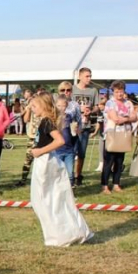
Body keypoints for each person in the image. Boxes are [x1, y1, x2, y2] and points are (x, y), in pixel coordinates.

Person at [29, 92, 93, 247]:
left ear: (43, 106)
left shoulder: (46, 122)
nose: (32, 109)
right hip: (46, 160)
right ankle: (62, 233)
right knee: (49, 199)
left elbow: (60, 140)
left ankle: (59, 235)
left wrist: (40, 151)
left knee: (46, 200)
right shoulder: (46, 121)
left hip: (45, 161)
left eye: (34, 106)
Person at [102, 81, 137, 194]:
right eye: (117, 91)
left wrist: (125, 119)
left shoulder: (128, 103)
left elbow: (134, 117)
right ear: (113, 92)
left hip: (124, 134)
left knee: (119, 161)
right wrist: (126, 117)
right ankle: (105, 185)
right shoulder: (110, 103)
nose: (119, 94)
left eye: (121, 91)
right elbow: (114, 118)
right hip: (112, 134)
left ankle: (116, 183)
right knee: (109, 161)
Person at [71, 68, 98, 186]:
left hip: (85, 126)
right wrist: (78, 109)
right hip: (72, 126)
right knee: (71, 152)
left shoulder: (93, 91)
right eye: (87, 76)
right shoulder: (71, 89)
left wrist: (91, 110)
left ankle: (78, 175)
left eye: (90, 76)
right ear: (80, 76)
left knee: (82, 152)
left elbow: (97, 107)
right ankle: (69, 175)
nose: (89, 78)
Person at [16, 88, 40, 186]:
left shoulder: (43, 109)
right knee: (28, 159)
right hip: (32, 136)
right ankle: (23, 179)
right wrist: (29, 109)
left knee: (40, 160)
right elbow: (25, 120)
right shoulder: (30, 107)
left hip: (41, 137)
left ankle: (39, 181)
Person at [53, 96, 77, 186]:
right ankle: (59, 191)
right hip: (57, 150)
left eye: (63, 106)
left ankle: (70, 192)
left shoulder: (69, 117)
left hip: (69, 150)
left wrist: (75, 129)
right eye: (59, 106)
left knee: (70, 173)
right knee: (58, 173)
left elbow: (73, 131)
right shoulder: (53, 118)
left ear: (66, 106)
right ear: (55, 106)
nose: (61, 108)